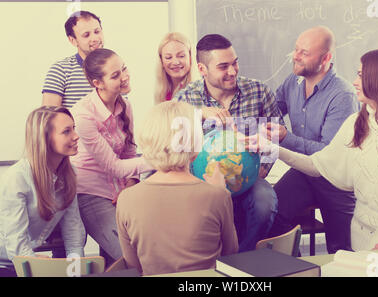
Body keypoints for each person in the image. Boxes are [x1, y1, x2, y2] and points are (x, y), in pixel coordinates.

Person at [250, 48, 378, 251]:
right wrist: (272, 148)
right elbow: (316, 166)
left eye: (361, 75)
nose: (355, 82)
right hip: (361, 239)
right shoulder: (357, 123)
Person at [175, 34, 282, 252]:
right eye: (223, 66)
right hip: (200, 182)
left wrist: (256, 174)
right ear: (202, 69)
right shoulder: (186, 99)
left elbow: (272, 142)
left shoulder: (260, 92)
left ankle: (243, 258)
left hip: (250, 179)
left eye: (235, 63)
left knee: (265, 204)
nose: (232, 71)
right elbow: (176, 147)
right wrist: (197, 115)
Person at [116, 101, 238, 275]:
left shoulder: (126, 199)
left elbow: (133, 266)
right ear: (195, 140)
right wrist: (222, 191)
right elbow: (230, 255)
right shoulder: (217, 196)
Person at [266, 26, 359, 254]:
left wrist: (286, 138)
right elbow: (272, 110)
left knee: (341, 248)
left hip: (335, 179)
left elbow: (328, 153)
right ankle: (294, 268)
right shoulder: (293, 81)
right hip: (304, 173)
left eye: (304, 53)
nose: (295, 56)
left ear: (326, 58)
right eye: (296, 50)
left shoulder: (342, 96)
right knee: (273, 214)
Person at [70, 48, 153, 265]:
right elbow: (113, 167)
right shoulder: (83, 114)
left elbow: (128, 152)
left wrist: (131, 182)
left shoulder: (125, 104)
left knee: (150, 243)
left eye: (123, 68)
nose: (124, 76)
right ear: (98, 83)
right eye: (115, 75)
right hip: (89, 194)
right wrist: (162, 159)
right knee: (132, 257)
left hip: (120, 190)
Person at [0, 106, 85, 276]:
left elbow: (73, 231)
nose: (76, 136)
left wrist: (76, 271)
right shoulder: (17, 178)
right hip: (6, 263)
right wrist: (38, 266)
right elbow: (16, 245)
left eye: (73, 128)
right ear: (44, 139)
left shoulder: (70, 174)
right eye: (66, 131)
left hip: (27, 258)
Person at [42, 10, 104, 108]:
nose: (95, 38)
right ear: (73, 40)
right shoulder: (60, 70)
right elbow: (49, 118)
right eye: (86, 35)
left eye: (97, 31)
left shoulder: (115, 66)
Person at [154, 32, 198, 104]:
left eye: (181, 56)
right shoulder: (162, 90)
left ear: (190, 58)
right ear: (162, 61)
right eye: (168, 57)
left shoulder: (199, 90)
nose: (175, 62)